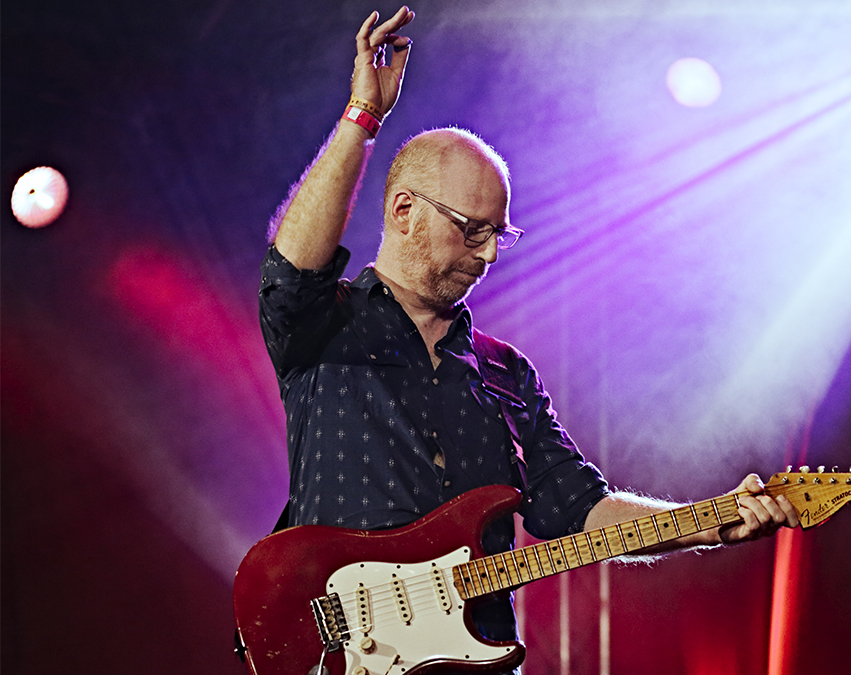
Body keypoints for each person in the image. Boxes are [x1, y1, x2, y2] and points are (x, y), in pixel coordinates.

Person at [258, 5, 800, 667]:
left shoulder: (504, 373)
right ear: (404, 212)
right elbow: (290, 268)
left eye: (500, 235)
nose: (488, 256)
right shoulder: (325, 327)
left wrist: (711, 520)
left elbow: (582, 508)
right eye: (472, 229)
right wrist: (362, 118)